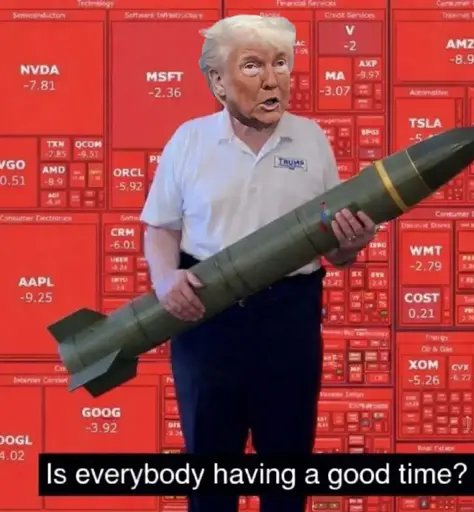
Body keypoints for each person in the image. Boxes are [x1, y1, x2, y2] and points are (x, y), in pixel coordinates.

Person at [140, 14, 377, 512]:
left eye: (281, 64)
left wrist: (351, 245)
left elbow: (334, 247)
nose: (272, 80)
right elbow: (160, 226)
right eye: (253, 66)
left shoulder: (311, 139)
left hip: (289, 318)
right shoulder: (189, 141)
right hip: (206, 318)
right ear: (217, 81)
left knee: (286, 474)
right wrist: (164, 280)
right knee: (210, 476)